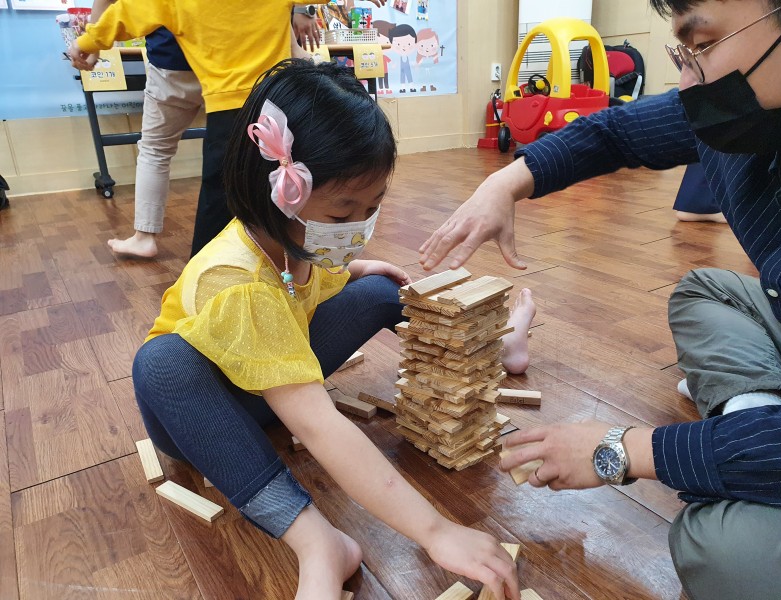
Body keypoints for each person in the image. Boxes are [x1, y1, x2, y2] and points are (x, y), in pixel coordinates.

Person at [419, 1, 781, 599]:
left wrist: (618, 450)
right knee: (704, 292)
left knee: (721, 551)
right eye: (684, 52)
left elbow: (622, 453)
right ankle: (757, 426)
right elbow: (614, 131)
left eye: (702, 44)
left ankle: (761, 445)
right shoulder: (752, 110)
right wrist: (506, 182)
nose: (688, 80)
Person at [132, 60, 521, 600]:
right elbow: (317, 425)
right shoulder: (235, 279)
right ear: (281, 192)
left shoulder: (298, 240)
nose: (358, 227)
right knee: (161, 362)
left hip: (271, 381)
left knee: (381, 288)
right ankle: (317, 541)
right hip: (205, 415)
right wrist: (436, 531)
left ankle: (502, 344)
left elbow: (314, 285)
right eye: (343, 216)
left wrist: (357, 267)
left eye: (372, 209)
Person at [69, 0, 385, 258]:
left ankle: (208, 273)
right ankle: (284, 263)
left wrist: (86, 42)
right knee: (280, 189)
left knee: (219, 197)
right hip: (275, 99)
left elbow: (125, 14)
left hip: (229, 108)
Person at [81, 1, 203, 259]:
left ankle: (144, 237)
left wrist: (93, 45)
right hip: (228, 55)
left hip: (172, 57)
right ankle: (257, 234)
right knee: (241, 148)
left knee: (155, 150)